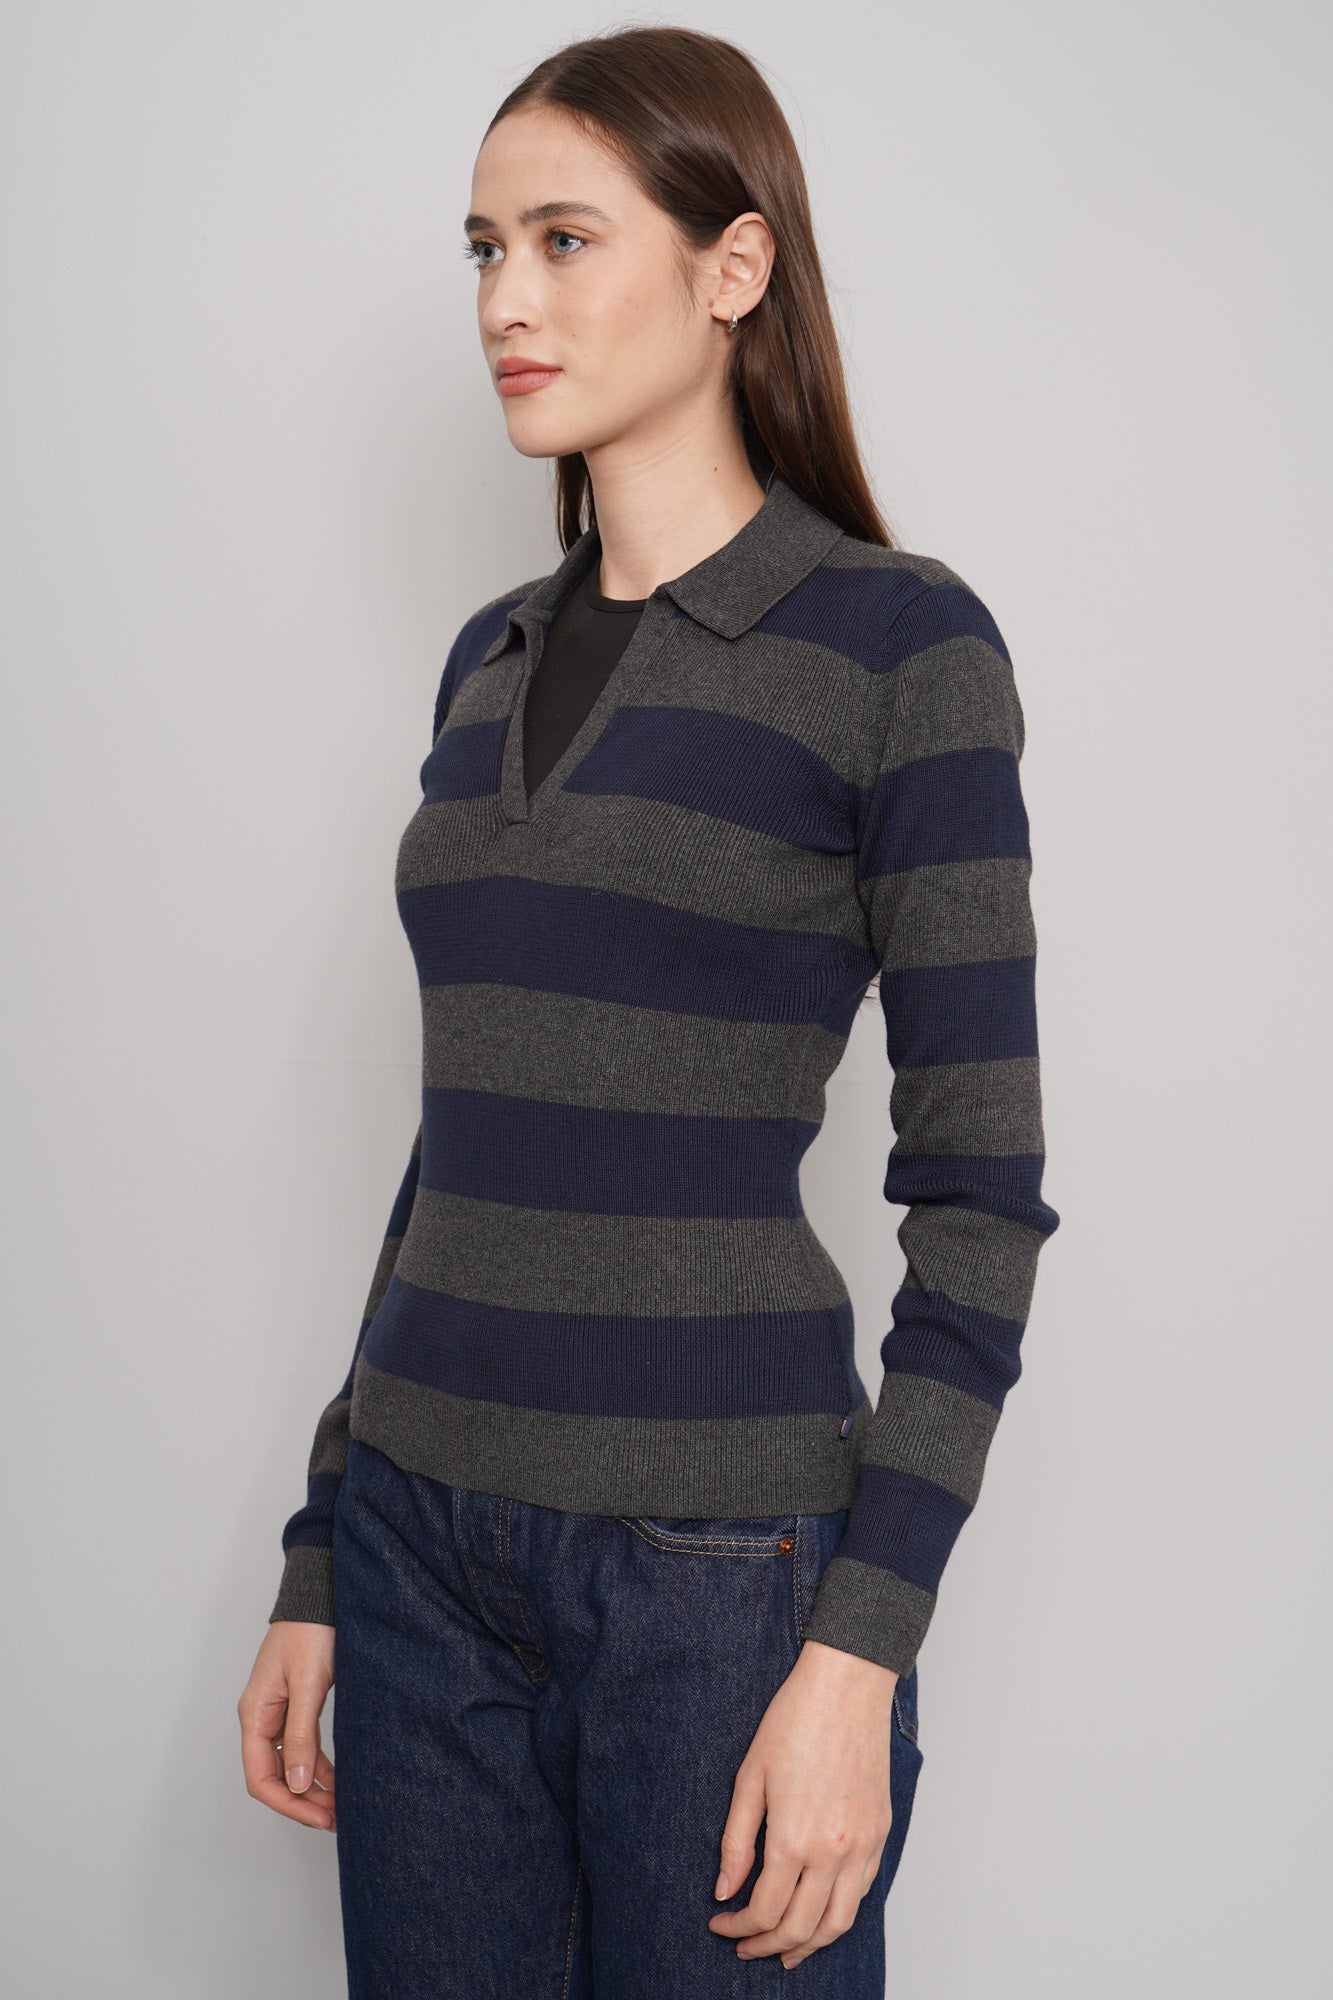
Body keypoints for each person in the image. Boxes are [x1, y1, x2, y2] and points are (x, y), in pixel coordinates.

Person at [237, 25, 1060, 1997]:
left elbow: (979, 1199)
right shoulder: (488, 657)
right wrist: (327, 1544)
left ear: (732, 265)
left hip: (715, 1579)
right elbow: (466, 1141)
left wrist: (858, 1653)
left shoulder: (898, 648)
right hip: (420, 1549)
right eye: (482, 249)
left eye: (563, 239)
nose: (504, 303)